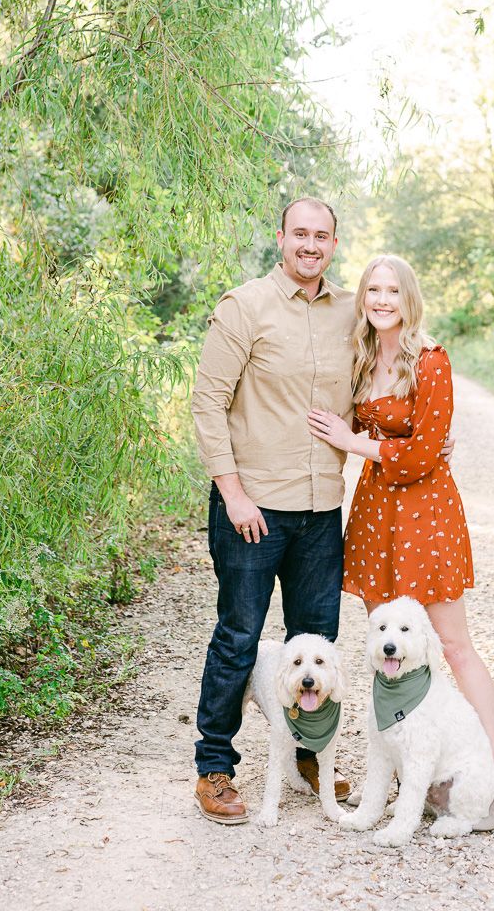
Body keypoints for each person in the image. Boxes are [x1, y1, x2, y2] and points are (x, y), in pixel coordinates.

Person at [307, 254, 494, 830]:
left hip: (426, 512)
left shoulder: (430, 359)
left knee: (452, 645)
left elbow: (427, 451)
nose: (382, 300)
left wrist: (360, 445)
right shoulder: (358, 356)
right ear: (363, 298)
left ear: (409, 299)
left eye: (392, 291)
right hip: (378, 512)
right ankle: (404, 780)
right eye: (372, 290)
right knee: (389, 652)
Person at [190, 197, 354, 823]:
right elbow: (208, 403)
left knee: (317, 645)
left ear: (334, 245)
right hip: (252, 509)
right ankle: (214, 770)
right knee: (238, 638)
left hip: (321, 510)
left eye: (323, 236)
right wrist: (232, 492)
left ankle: (311, 759)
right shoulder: (244, 307)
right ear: (281, 237)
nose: (311, 245)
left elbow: (376, 387)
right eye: (300, 234)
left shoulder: (348, 312)